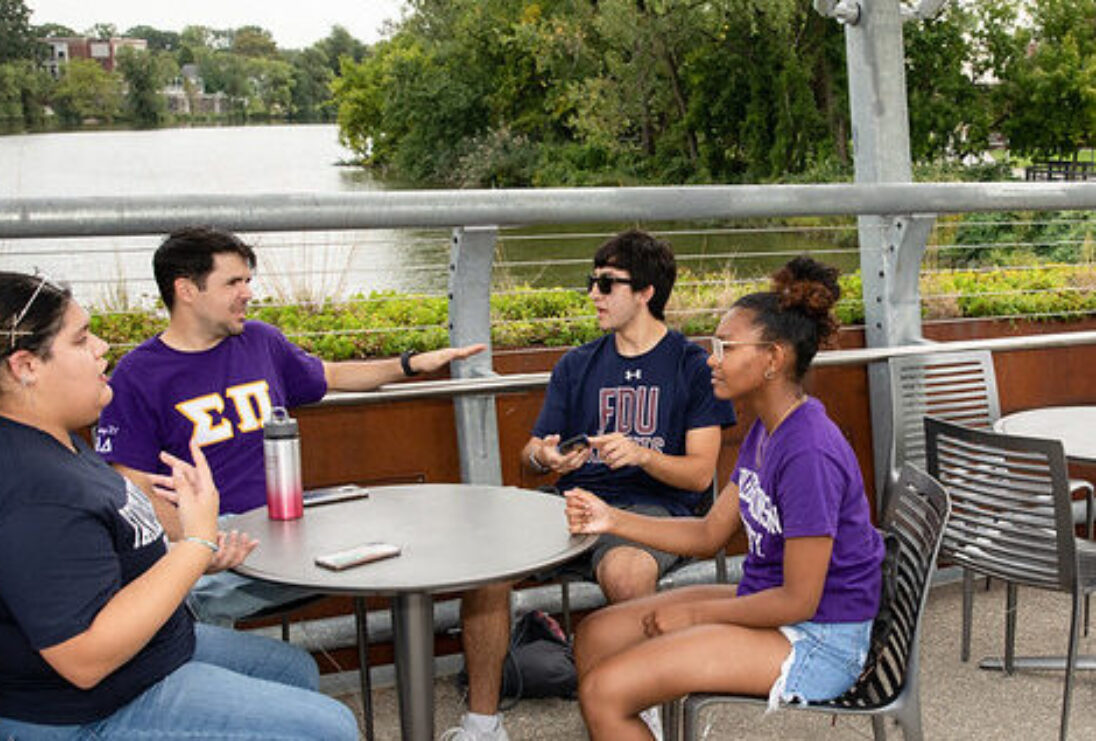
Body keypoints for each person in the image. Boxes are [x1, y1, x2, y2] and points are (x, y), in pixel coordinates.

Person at [0, 271, 358, 740]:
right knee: (329, 728)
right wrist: (196, 542)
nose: (102, 348)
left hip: (138, 661)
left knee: (290, 669)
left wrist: (195, 559)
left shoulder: (28, 432)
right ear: (25, 366)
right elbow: (85, 658)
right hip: (84, 712)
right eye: (81, 339)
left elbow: (85, 565)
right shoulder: (26, 489)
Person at [92, 227, 509, 739]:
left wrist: (409, 365)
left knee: (406, 551)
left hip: (293, 524)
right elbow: (134, 492)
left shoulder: (260, 341)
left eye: (249, 280)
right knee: (194, 600)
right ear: (186, 289)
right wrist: (201, 545)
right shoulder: (136, 375)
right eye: (233, 282)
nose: (248, 292)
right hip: (216, 543)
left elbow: (328, 374)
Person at [565, 256, 886, 740]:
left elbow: (800, 599)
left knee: (604, 693)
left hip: (819, 639)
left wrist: (694, 614)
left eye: (726, 347)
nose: (712, 358)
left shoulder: (809, 452)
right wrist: (610, 520)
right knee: (596, 636)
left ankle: (627, 709)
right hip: (771, 603)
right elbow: (709, 532)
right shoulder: (766, 430)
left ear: (773, 360)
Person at [522, 229, 735, 604]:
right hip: (571, 503)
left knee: (626, 572)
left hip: (651, 511)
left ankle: (636, 663)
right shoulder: (575, 364)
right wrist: (547, 457)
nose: (593, 294)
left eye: (606, 284)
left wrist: (641, 455)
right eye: (592, 282)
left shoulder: (693, 366)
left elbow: (700, 474)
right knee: (487, 564)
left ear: (645, 292)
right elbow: (531, 453)